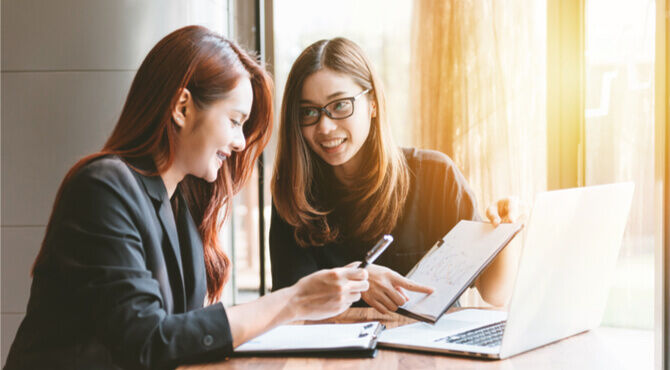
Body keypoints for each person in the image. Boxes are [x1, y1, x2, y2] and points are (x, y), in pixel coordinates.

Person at [4, 26, 369, 370]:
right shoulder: (103, 188)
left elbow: (181, 336)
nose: (241, 142)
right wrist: (294, 300)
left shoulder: (180, 204)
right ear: (182, 108)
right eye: (235, 120)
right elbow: (147, 342)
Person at [270, 37, 521, 315]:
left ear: (372, 104)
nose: (325, 126)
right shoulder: (294, 194)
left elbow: (495, 293)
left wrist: (506, 230)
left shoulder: (436, 176)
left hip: (430, 352)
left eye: (340, 105)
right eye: (308, 112)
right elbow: (290, 305)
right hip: (334, 357)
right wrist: (359, 279)